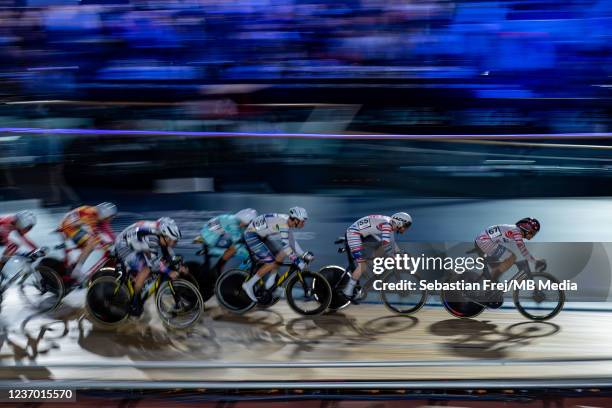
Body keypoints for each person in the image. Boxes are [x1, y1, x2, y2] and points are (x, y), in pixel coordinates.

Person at [114, 217, 186, 316]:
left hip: (136, 242)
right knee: (146, 269)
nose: (174, 244)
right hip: (123, 246)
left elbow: (169, 255)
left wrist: (178, 264)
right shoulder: (153, 239)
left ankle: (136, 282)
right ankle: (134, 303)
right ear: (165, 237)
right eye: (173, 241)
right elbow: (154, 263)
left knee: (158, 264)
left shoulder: (161, 235)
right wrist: (169, 272)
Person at [241, 207, 310, 302]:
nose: (303, 224)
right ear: (296, 219)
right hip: (251, 235)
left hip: (260, 235)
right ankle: (248, 285)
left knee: (280, 253)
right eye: (302, 221)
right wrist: (297, 261)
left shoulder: (287, 222)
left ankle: (271, 281)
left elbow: (292, 242)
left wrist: (303, 254)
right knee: (271, 263)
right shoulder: (283, 224)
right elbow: (287, 247)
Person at [342, 212, 413, 299]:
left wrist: (400, 253)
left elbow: (392, 243)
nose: (405, 229)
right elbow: (386, 244)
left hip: (364, 234)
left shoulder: (390, 224)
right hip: (353, 234)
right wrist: (393, 257)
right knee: (362, 266)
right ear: (400, 222)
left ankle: (369, 268)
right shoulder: (387, 225)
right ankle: (347, 291)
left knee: (379, 249)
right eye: (405, 226)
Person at [58, 202, 117, 285]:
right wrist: (106, 247)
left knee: (93, 244)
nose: (111, 219)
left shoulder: (102, 216)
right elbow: (95, 233)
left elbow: (109, 232)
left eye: (112, 217)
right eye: (110, 217)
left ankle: (74, 266)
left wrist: (116, 242)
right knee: (92, 243)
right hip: (67, 226)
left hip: (77, 225)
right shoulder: (89, 214)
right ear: (104, 215)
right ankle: (77, 270)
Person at [475, 217, 545, 282]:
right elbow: (523, 250)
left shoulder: (513, 229)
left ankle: (491, 285)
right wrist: (535, 261)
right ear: (526, 229)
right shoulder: (517, 232)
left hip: (482, 241)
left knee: (500, 264)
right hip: (485, 242)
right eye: (532, 233)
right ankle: (491, 285)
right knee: (512, 258)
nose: (533, 236)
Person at [199, 208, 258, 273]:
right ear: (246, 220)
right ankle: (217, 267)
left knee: (237, 248)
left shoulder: (239, 222)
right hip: (210, 235)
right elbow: (236, 237)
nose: (248, 225)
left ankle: (219, 267)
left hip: (216, 232)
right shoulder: (233, 221)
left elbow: (246, 236)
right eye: (249, 223)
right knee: (234, 249)